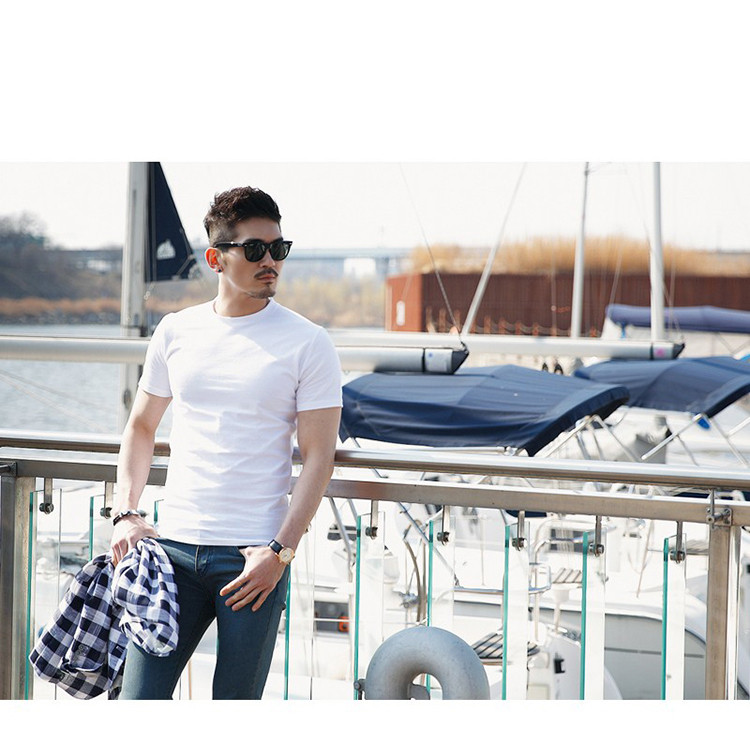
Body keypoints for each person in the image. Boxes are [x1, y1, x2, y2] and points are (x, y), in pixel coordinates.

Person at [109, 186, 342, 700]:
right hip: (170, 552)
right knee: (136, 703)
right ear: (216, 259)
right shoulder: (176, 331)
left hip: (253, 559)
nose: (270, 262)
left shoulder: (309, 343)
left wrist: (280, 552)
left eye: (278, 249)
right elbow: (141, 427)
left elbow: (319, 458)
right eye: (255, 249)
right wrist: (125, 512)